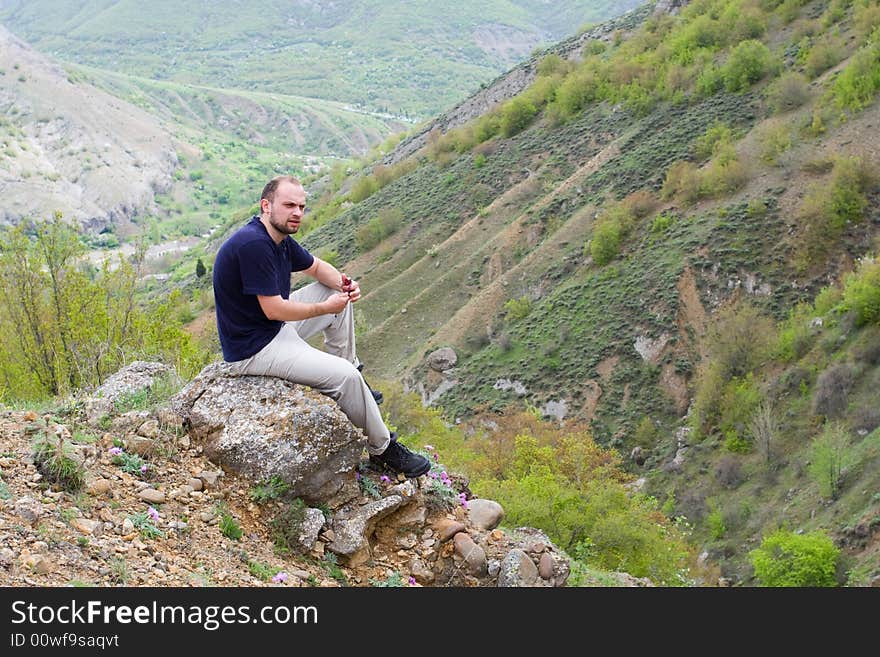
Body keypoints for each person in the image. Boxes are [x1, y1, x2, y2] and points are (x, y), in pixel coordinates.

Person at [212, 175, 430, 478]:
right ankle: (383, 450)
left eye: (301, 206)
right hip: (255, 348)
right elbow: (274, 310)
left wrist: (345, 284)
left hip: (272, 329)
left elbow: (315, 267)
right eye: (289, 205)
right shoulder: (254, 245)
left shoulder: (279, 240)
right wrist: (325, 308)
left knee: (336, 295)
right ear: (266, 205)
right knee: (345, 377)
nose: (297, 212)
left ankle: (353, 375)